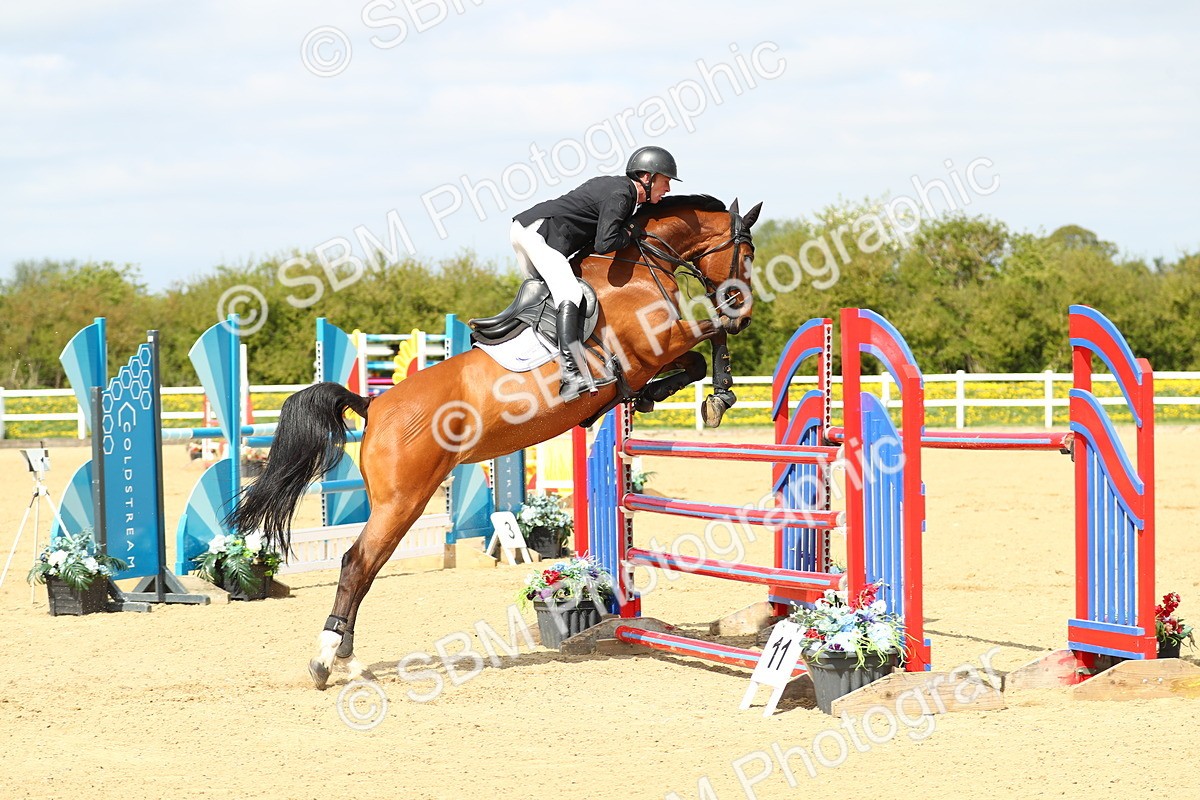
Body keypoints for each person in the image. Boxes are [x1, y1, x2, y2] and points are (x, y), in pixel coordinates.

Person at [510, 145, 679, 400]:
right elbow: (605, 243)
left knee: (550, 298)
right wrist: (631, 232)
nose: (668, 189)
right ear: (647, 177)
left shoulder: (623, 193)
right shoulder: (621, 194)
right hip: (539, 232)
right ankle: (570, 375)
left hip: (530, 229)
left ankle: (527, 354)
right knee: (570, 293)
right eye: (665, 181)